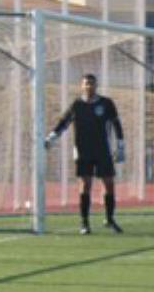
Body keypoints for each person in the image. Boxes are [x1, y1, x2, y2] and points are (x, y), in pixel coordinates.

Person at [44, 73, 124, 235]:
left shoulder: (106, 103)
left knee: (109, 184)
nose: (89, 86)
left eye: (92, 83)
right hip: (83, 151)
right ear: (81, 86)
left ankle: (109, 219)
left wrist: (121, 146)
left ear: (96, 86)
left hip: (103, 150)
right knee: (85, 185)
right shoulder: (76, 105)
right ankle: (84, 223)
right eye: (86, 83)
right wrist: (51, 137)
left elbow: (116, 125)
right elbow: (63, 123)